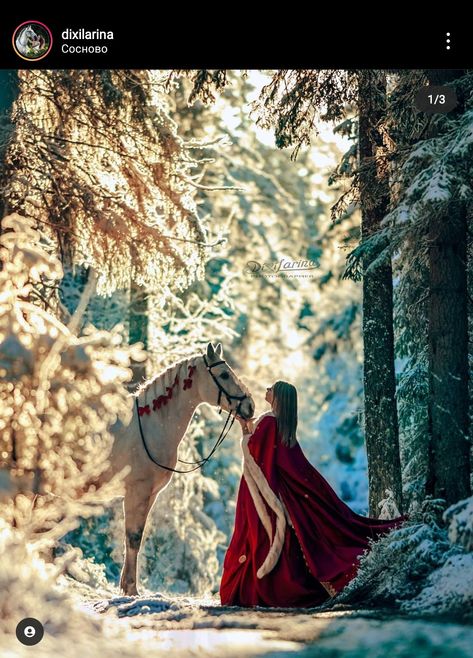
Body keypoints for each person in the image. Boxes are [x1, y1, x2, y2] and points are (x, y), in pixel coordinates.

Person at [219, 381, 409, 608]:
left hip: (267, 494)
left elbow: (254, 452)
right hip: (278, 493)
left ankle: (271, 592)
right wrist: (247, 426)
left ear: (278, 396)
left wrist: (244, 429)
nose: (267, 389)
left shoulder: (270, 421)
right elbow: (271, 455)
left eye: (272, 387)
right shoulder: (280, 423)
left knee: (260, 540)